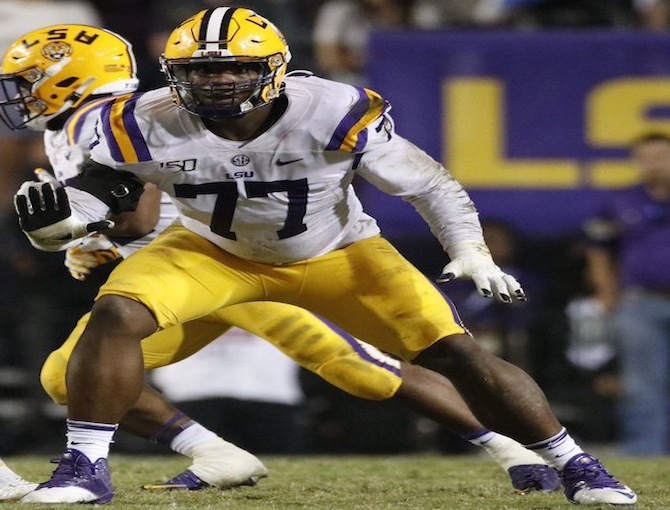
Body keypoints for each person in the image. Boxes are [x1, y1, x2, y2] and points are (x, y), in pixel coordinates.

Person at [9, 8, 635, 506]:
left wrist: (469, 250)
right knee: (115, 317)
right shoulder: (142, 119)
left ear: (276, 69)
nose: (216, 81)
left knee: (450, 352)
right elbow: (108, 194)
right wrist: (64, 228)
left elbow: (430, 185)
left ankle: (573, 461)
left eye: (234, 69)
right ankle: (88, 470)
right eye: (198, 71)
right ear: (173, 73)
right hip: (209, 251)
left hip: (335, 250)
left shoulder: (331, 109)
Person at [584, 131, 670, 456]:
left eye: (661, 156)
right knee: (641, 383)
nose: (654, 164)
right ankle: (645, 453)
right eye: (646, 157)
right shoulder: (620, 201)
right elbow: (598, 248)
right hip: (640, 301)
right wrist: (606, 291)